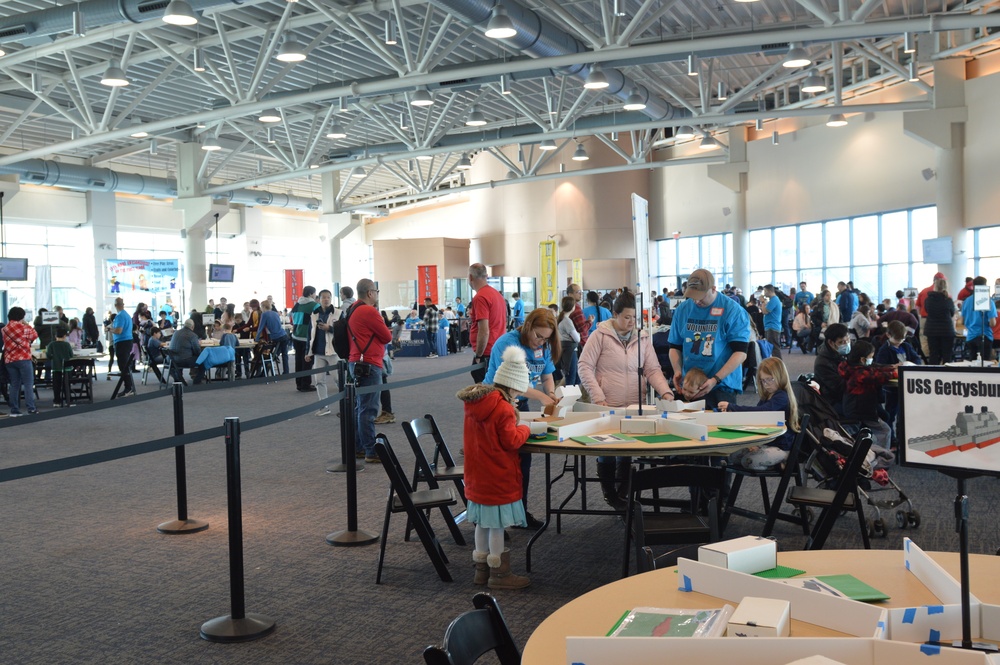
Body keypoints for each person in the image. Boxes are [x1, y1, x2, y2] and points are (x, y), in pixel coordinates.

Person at [579, 291, 675, 509]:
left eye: (635, 317)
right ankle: (610, 494)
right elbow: (584, 366)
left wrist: (666, 392)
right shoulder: (599, 335)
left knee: (627, 451)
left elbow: (652, 369)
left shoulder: (642, 337)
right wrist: (598, 396)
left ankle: (622, 495)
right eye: (627, 317)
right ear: (615, 314)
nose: (631, 322)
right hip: (606, 403)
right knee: (607, 452)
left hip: (633, 403)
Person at [458, 345, 532, 590]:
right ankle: (500, 574)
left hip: (477, 475)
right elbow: (511, 441)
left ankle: (481, 570)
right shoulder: (503, 408)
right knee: (498, 527)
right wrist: (526, 429)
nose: (519, 397)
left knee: (482, 524)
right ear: (512, 387)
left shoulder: (477, 404)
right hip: (498, 475)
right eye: (519, 392)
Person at [484, 307, 560, 529]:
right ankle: (494, 521)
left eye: (546, 338)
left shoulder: (543, 347)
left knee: (522, 461)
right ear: (528, 327)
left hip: (519, 406)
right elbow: (513, 384)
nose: (540, 342)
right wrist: (543, 397)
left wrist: (552, 393)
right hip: (495, 405)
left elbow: (547, 375)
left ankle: (519, 513)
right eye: (538, 336)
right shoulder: (507, 344)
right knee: (499, 463)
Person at [667, 269, 750, 409]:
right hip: (692, 384)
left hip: (721, 385)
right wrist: (677, 371)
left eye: (701, 296)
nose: (697, 301)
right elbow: (675, 346)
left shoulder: (733, 310)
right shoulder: (683, 309)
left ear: (713, 289)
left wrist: (715, 379)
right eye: (693, 296)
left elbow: (740, 353)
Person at [718, 357, 800, 470]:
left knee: (749, 461)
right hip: (767, 442)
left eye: (770, 379)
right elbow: (757, 419)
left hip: (781, 447)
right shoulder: (767, 396)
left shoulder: (782, 396)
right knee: (732, 457)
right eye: (763, 380)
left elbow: (761, 412)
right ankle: (771, 461)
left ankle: (784, 459)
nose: (766, 384)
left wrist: (733, 407)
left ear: (780, 377)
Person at [347, 279, 392, 462]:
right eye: (377, 291)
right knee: (369, 408)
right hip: (369, 363)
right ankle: (371, 450)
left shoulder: (353, 309)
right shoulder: (368, 311)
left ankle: (359, 447)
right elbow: (387, 336)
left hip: (356, 361)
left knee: (360, 406)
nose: (378, 294)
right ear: (370, 293)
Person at [839, 340, 897, 449]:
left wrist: (892, 367)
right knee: (885, 430)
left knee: (885, 416)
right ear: (862, 359)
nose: (872, 360)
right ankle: (882, 455)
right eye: (871, 357)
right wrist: (894, 373)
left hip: (856, 406)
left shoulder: (850, 366)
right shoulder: (859, 373)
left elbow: (875, 368)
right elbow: (876, 376)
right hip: (861, 409)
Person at [468, 262, 507, 383]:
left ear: (470, 277)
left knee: (484, 387)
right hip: (499, 347)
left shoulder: (480, 297)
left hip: (487, 352)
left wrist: (479, 355)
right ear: (486, 275)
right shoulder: (497, 295)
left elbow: (484, 331)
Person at [305, 289, 338, 417]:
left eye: (328, 297)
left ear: (331, 299)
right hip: (318, 352)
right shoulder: (314, 314)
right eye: (323, 297)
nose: (326, 299)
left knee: (338, 379)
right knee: (319, 380)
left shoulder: (338, 313)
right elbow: (310, 334)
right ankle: (324, 406)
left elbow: (344, 330)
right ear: (318, 299)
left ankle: (347, 404)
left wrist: (329, 328)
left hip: (333, 352)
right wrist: (308, 352)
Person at [3, 307, 39, 416]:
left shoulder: (4, 329)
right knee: (28, 384)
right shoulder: (24, 328)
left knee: (14, 384)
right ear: (21, 316)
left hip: (9, 359)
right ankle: (31, 408)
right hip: (23, 358)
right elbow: (35, 335)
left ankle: (14, 410)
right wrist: (26, 323)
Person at [813, 322, 850, 412]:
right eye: (841, 342)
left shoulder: (842, 354)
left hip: (845, 395)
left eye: (848, 340)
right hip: (833, 400)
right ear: (830, 342)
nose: (846, 344)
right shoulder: (823, 363)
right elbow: (838, 388)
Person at [959, 276, 998, 361]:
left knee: (973, 361)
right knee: (985, 363)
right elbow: (992, 323)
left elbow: (962, 321)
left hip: (970, 337)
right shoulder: (988, 301)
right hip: (985, 335)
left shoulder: (966, 301)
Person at [291, 286, 320, 392]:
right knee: (307, 361)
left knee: (298, 360)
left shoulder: (297, 304)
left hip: (296, 335)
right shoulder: (314, 305)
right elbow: (319, 319)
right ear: (311, 293)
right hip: (307, 337)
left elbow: (292, 318)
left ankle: (299, 383)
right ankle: (305, 384)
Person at [921, 278, 955, 365]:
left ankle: (933, 374)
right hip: (946, 330)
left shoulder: (928, 300)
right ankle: (948, 375)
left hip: (931, 329)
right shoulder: (948, 300)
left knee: (934, 354)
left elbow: (927, 311)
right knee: (947, 355)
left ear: (935, 286)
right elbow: (952, 313)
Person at [111, 297, 137, 397]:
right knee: (125, 365)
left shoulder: (120, 316)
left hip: (122, 342)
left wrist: (110, 329)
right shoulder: (126, 315)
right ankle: (129, 387)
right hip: (127, 341)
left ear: (116, 305)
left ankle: (128, 388)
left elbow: (118, 331)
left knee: (123, 366)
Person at [256, 300, 290, 374]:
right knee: (284, 354)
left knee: (271, 355)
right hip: (283, 335)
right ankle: (286, 371)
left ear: (263, 307)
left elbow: (260, 327)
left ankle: (264, 373)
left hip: (275, 336)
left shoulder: (264, 314)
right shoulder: (275, 313)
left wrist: (257, 338)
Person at [47, 326, 74, 407]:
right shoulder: (67, 345)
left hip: (56, 368)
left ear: (55, 336)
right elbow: (71, 355)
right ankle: (68, 400)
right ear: (65, 336)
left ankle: (57, 401)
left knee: (56, 385)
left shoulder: (51, 344)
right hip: (67, 368)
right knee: (67, 384)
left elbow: (49, 356)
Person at [169, 319, 202, 384]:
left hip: (172, 360)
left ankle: (178, 378)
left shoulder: (176, 333)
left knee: (184, 355)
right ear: (192, 327)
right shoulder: (192, 335)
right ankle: (197, 380)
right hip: (184, 360)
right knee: (202, 360)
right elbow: (197, 351)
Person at [556, 296, 580, 386]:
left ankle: (571, 397)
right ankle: (569, 399)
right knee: (571, 378)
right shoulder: (567, 321)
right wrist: (579, 335)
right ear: (572, 306)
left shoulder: (560, 318)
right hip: (570, 351)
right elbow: (577, 338)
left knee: (575, 377)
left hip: (564, 349)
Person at [565, 283, 590, 353]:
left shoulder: (569, 307)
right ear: (570, 294)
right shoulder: (576, 308)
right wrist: (590, 321)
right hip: (579, 344)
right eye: (578, 292)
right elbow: (583, 328)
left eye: (581, 292)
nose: (581, 294)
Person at [761, 285, 783, 359]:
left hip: (772, 326)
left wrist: (763, 301)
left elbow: (765, 311)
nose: (764, 293)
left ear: (769, 291)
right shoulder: (773, 300)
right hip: (771, 326)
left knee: (774, 348)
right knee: (772, 348)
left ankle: (779, 366)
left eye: (765, 291)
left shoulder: (774, 300)